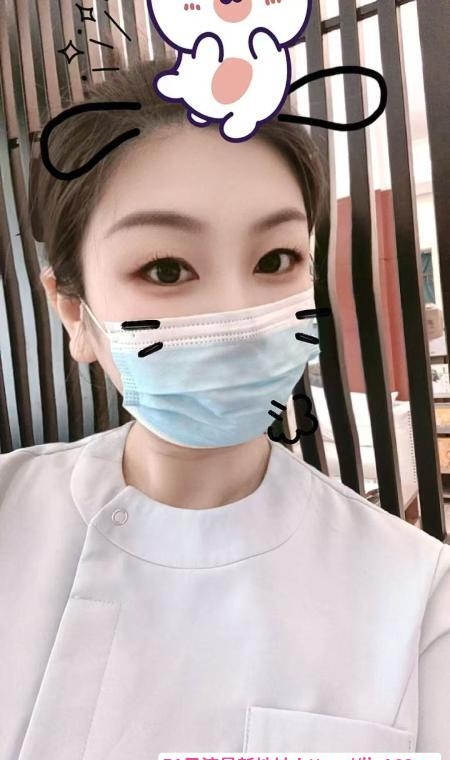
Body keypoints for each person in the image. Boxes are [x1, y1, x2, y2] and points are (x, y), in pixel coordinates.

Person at [0, 58, 449, 760]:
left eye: (275, 261)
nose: (238, 317)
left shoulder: (416, 597)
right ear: (73, 313)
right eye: (166, 270)